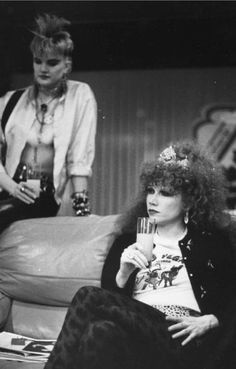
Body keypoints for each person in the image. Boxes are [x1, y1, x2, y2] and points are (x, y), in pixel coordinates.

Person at [44, 140, 236, 369]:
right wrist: (123, 273)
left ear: (188, 202)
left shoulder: (211, 241)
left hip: (180, 335)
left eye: (165, 193)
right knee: (99, 331)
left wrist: (213, 320)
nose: (153, 200)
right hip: (136, 336)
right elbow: (110, 302)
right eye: (150, 190)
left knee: (87, 295)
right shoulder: (128, 239)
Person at [0, 13, 97, 232]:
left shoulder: (80, 95)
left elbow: (79, 158)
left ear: (67, 65)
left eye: (52, 63)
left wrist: (82, 210)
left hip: (42, 199)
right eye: (38, 61)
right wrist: (13, 188)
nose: (43, 69)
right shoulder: (11, 101)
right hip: (7, 192)